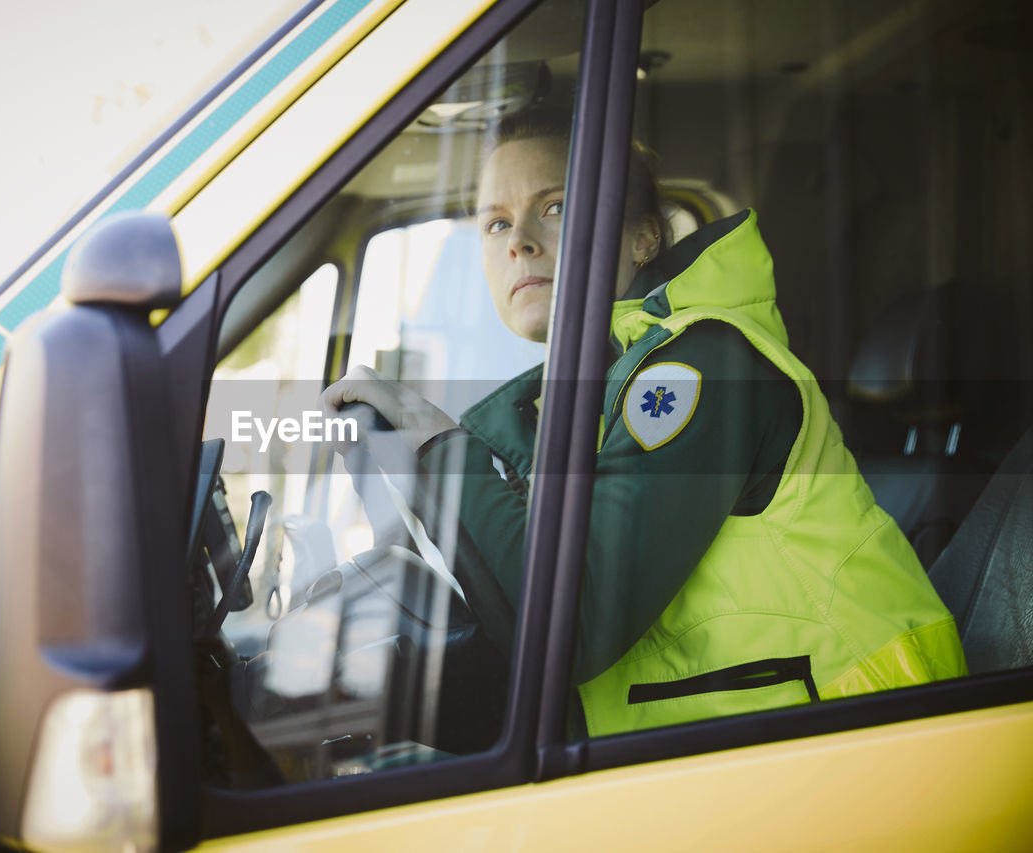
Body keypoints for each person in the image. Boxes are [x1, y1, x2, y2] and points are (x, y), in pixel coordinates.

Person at [321, 113, 967, 737]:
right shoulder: (581, 399)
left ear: (643, 238)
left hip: (860, 742)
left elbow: (570, 624)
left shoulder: (699, 366)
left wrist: (435, 437)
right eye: (494, 222)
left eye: (555, 207)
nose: (517, 239)